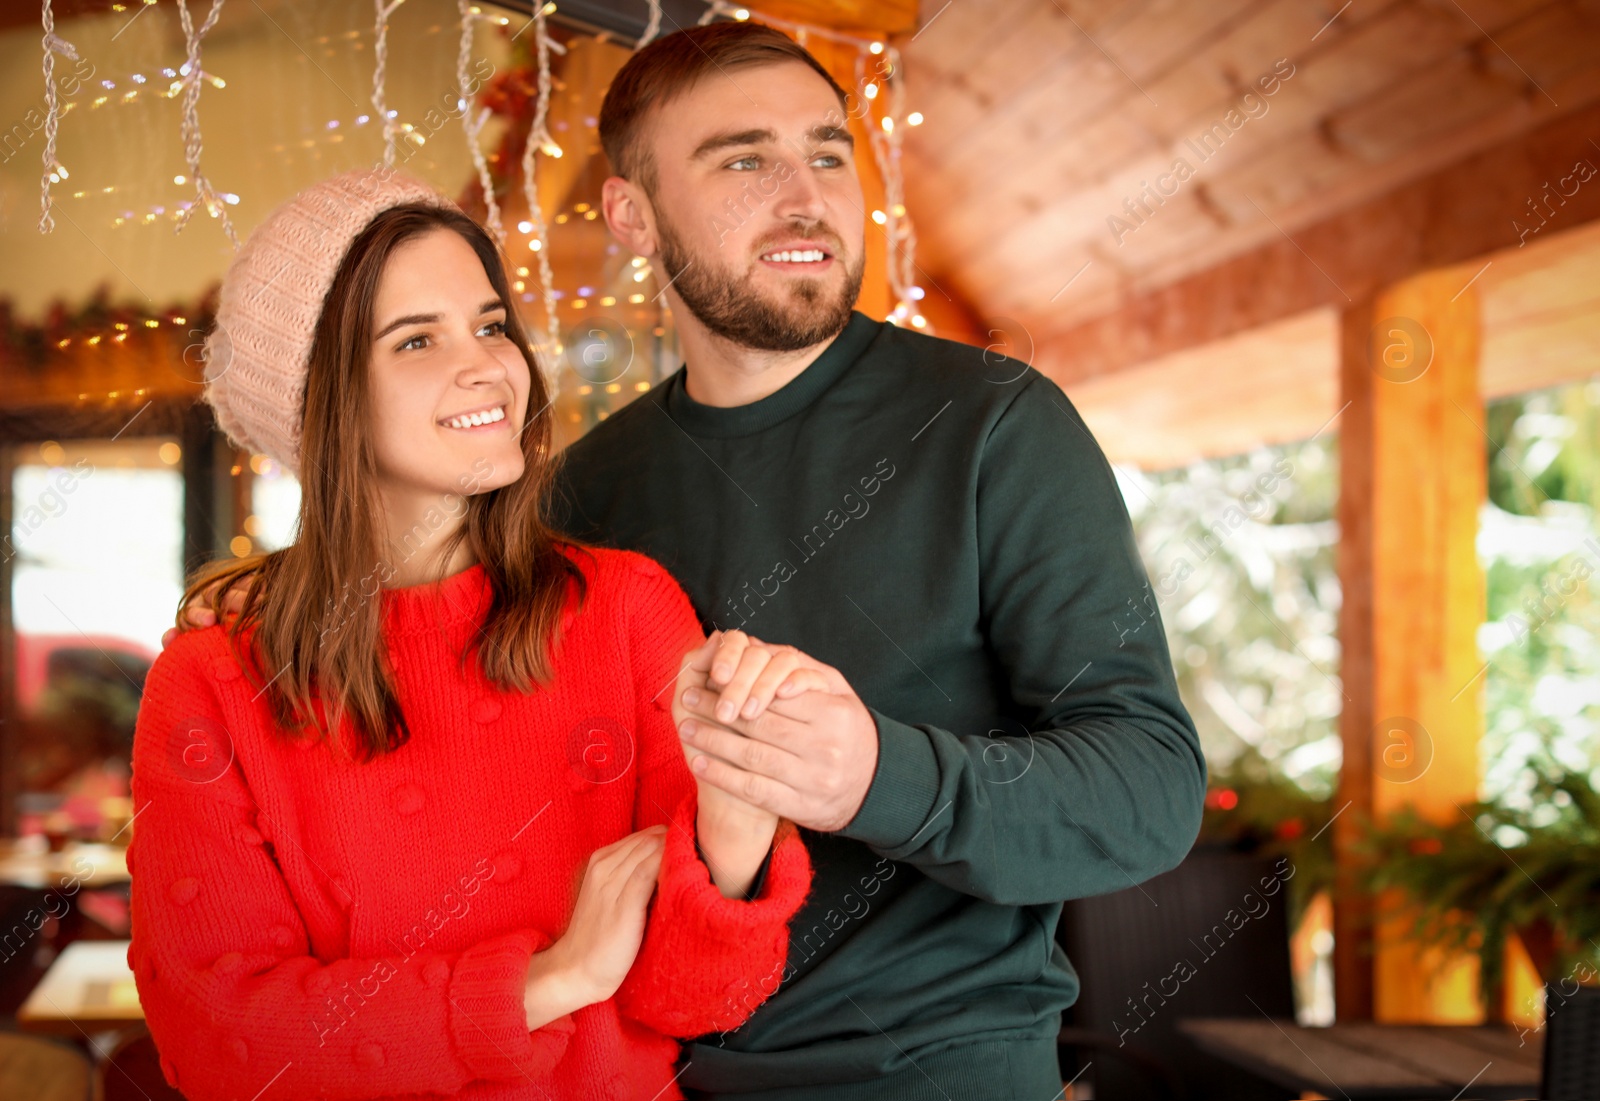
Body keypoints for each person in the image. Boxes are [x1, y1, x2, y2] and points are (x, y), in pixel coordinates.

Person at [173, 23, 1207, 1100]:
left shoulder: (992, 427)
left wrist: (872, 775)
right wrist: (290, 588)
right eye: (745, 160)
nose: (805, 196)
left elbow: (1149, 793)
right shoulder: (584, 493)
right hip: (647, 1072)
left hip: (934, 1072)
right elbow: (412, 593)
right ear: (630, 215)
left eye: (826, 151)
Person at [129, 169, 813, 1101]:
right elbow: (220, 1043)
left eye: (491, 324)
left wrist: (733, 842)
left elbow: (701, 998)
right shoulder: (214, 678)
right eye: (416, 339)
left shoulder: (624, 609)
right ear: (320, 401)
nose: (490, 365)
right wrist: (555, 977)